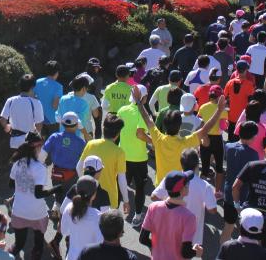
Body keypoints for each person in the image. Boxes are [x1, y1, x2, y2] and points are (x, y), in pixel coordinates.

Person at [134, 86, 226, 187]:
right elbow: (205, 129)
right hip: (178, 188)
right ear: (179, 126)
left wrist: (138, 102)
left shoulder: (158, 138)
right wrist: (219, 110)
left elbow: (147, 118)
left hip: (160, 186)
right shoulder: (185, 143)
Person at [9, 132, 60, 260]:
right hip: (37, 213)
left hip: (18, 211)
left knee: (18, 244)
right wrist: (55, 189)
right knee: (38, 245)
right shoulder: (39, 168)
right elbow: (38, 194)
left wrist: (23, 187)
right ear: (37, 147)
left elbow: (11, 185)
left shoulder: (17, 163)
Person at [152, 149, 216, 250]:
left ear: (181, 164)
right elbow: (212, 210)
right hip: (191, 235)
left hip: (170, 229)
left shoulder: (171, 179)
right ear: (196, 165)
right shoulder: (205, 186)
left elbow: (154, 197)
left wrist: (167, 200)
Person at [139, 170, 202, 260]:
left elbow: (142, 239)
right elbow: (185, 253)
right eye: (187, 183)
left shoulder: (153, 207)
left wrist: (156, 247)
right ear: (183, 189)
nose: (188, 185)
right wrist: (197, 252)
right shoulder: (189, 217)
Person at [78, 115, 130, 217]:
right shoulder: (119, 152)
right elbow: (121, 179)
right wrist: (126, 200)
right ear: (118, 133)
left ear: (103, 128)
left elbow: (79, 167)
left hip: (88, 196)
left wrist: (85, 184)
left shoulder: (91, 144)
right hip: (110, 199)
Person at [219, 121, 261, 244]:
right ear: (252, 137)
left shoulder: (229, 147)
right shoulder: (253, 154)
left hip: (228, 194)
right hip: (244, 195)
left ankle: (222, 253)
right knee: (248, 229)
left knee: (228, 227)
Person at [116, 87, 151, 227]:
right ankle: (137, 216)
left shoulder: (122, 110)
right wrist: (154, 142)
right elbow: (140, 134)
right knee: (140, 188)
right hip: (139, 158)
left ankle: (114, 214)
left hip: (122, 155)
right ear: (143, 97)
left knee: (121, 186)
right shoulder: (144, 114)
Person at [61, 177, 104, 260]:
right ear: (94, 195)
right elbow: (101, 242)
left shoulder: (68, 208)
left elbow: (64, 231)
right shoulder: (98, 216)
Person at [0, 75, 45, 149]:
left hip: (14, 142)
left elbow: (2, 119)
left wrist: (7, 127)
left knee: (15, 160)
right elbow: (39, 125)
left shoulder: (10, 100)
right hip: (29, 142)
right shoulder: (36, 103)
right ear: (32, 87)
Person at [197, 85, 227, 192]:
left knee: (204, 167)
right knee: (219, 167)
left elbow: (199, 123)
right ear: (219, 97)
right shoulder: (222, 109)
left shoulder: (202, 107)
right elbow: (223, 127)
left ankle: (200, 192)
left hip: (205, 138)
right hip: (217, 139)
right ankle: (217, 192)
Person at [57, 75, 93, 140]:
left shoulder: (63, 99)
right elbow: (80, 123)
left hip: (62, 135)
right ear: (84, 88)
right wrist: (86, 134)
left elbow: (58, 117)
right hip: (76, 137)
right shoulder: (84, 104)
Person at [35, 62, 64, 138]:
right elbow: (55, 106)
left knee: (40, 144)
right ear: (57, 72)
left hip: (38, 119)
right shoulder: (58, 86)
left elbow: (33, 98)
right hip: (52, 120)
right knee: (53, 144)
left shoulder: (37, 82)